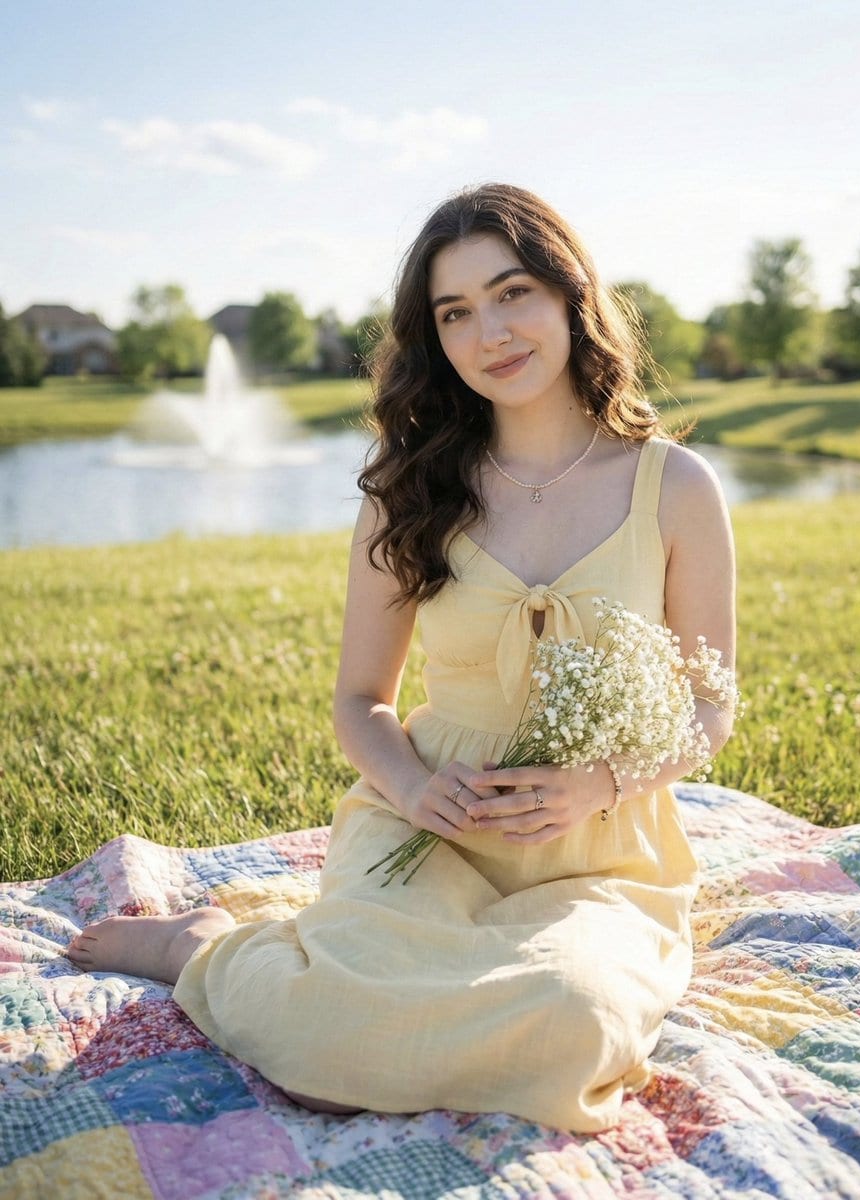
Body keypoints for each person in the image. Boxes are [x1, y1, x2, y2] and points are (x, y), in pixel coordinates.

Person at [67, 183, 736, 1132]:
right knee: (322, 1056)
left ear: (569, 294)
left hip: (600, 853)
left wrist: (602, 784)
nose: (490, 332)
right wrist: (414, 792)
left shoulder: (674, 485)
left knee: (573, 1024)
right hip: (427, 827)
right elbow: (359, 701)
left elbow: (710, 706)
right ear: (433, 340)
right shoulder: (407, 491)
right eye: (454, 313)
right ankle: (203, 949)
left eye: (512, 294)